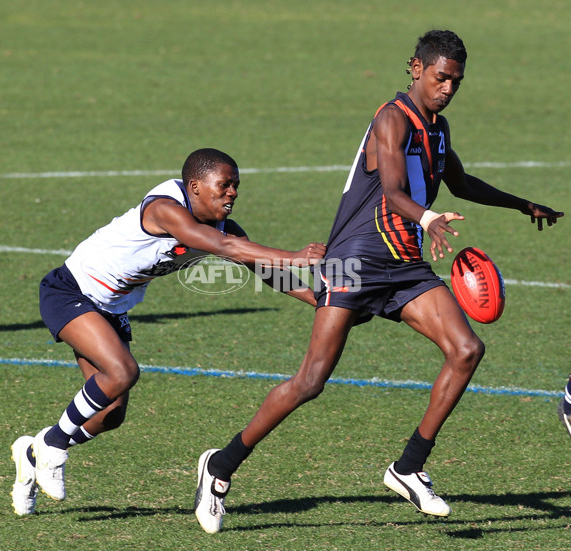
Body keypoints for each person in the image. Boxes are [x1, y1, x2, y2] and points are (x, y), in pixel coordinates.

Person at [194, 29, 565, 533]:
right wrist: (429, 218)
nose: (448, 88)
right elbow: (391, 190)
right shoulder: (391, 119)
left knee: (466, 349)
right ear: (416, 68)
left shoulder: (438, 128)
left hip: (406, 265)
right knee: (310, 382)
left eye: (456, 81)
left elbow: (460, 180)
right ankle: (220, 467)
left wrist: (521, 204)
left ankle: (409, 466)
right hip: (356, 260)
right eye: (440, 78)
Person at [10, 148, 326, 516]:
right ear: (195, 185)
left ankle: (31, 453)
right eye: (224, 185)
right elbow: (227, 248)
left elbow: (262, 267)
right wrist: (297, 254)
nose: (233, 193)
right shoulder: (165, 208)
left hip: (110, 308)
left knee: (109, 413)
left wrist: (320, 302)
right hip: (71, 291)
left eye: (236, 186)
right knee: (122, 372)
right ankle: (53, 445)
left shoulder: (223, 228)